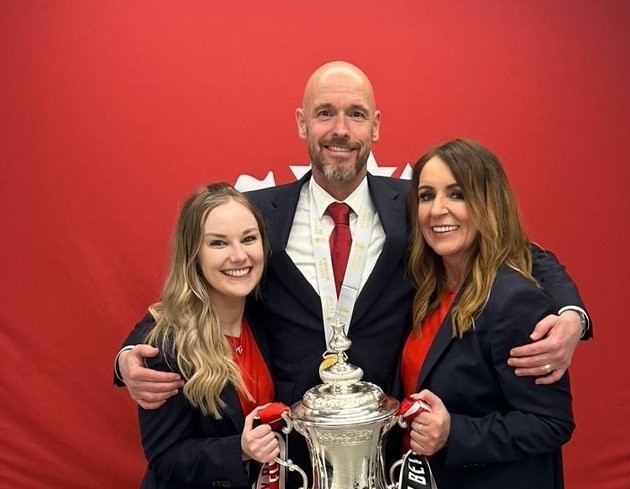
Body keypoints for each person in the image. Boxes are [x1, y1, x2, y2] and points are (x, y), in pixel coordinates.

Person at [114, 63, 589, 480]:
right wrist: (131, 356)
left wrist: (572, 314)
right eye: (325, 113)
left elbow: (514, 249)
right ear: (302, 122)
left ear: (375, 126)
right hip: (288, 454)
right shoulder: (258, 215)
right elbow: (190, 288)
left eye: (356, 114)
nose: (340, 129)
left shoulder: (415, 205)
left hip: (390, 451)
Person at [401, 139, 574, 488]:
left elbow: (551, 423)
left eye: (457, 194)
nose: (437, 210)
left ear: (488, 203)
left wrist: (453, 433)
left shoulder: (515, 302)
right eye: (426, 196)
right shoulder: (425, 289)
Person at [133, 182, 280, 489]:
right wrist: (239, 449)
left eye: (248, 239)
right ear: (193, 254)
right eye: (218, 243)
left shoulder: (264, 314)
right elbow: (165, 457)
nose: (239, 255)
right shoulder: (167, 345)